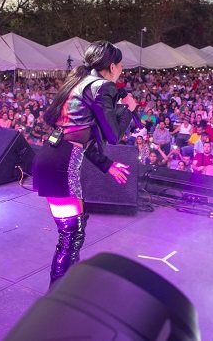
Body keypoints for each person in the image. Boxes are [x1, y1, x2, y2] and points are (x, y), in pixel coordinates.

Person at [31, 41, 136, 287]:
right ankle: (57, 302)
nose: (121, 71)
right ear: (112, 66)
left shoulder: (77, 82)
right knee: (71, 237)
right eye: (121, 67)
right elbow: (114, 135)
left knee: (71, 234)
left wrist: (106, 165)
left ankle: (65, 291)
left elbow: (80, 137)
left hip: (51, 156)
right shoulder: (102, 86)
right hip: (61, 165)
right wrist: (127, 110)